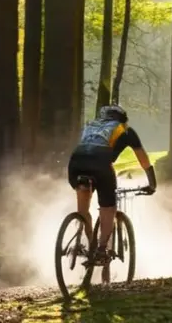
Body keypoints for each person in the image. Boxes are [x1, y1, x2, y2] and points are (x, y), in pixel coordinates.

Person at [67, 104, 157, 262]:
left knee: (83, 208)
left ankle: (88, 245)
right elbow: (143, 158)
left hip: (76, 164)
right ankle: (101, 250)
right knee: (108, 208)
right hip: (100, 164)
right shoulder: (124, 129)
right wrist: (152, 182)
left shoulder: (90, 126)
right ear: (123, 119)